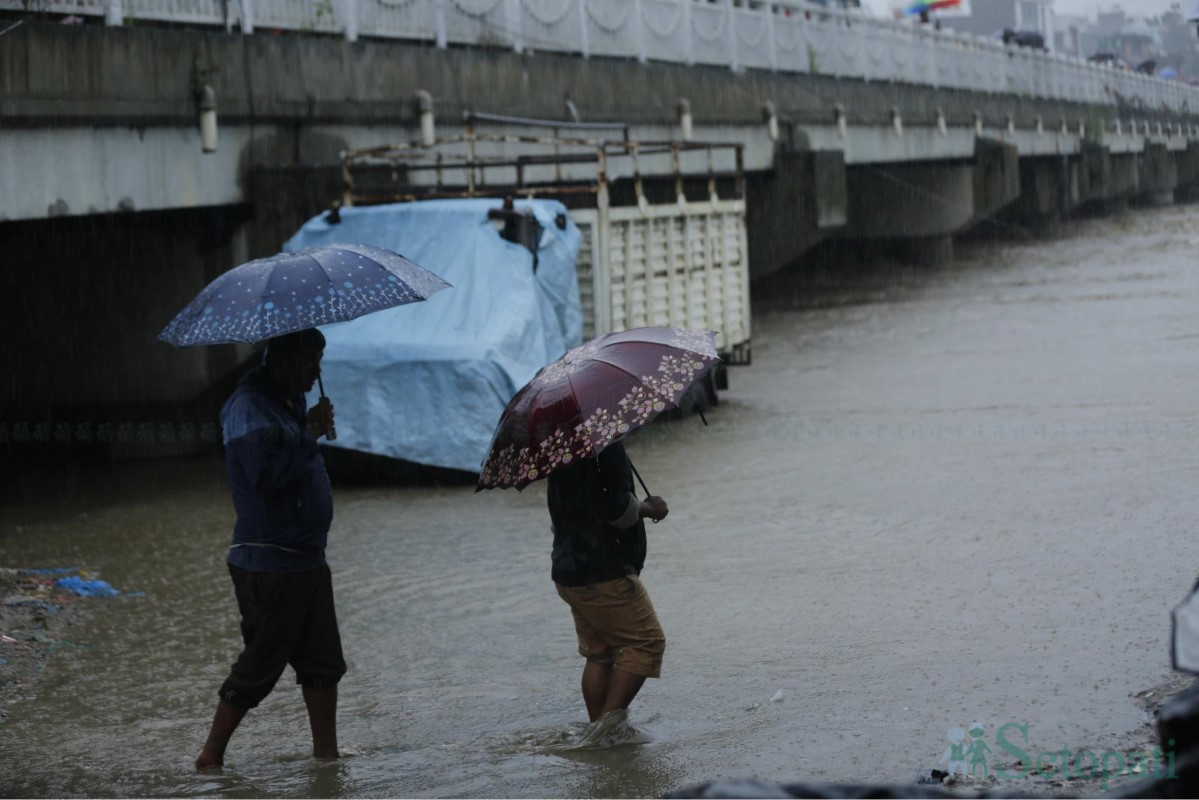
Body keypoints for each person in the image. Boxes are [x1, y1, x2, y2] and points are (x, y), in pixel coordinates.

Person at [195, 328, 342, 769]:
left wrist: (308, 426)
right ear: (284, 360)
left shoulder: (287, 401)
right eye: (310, 361)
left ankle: (327, 758)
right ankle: (211, 755)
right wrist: (308, 434)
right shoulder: (248, 407)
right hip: (270, 562)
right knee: (261, 663)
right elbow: (265, 476)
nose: (317, 370)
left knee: (322, 661)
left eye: (320, 360)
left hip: (306, 558)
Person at [547, 440, 669, 727]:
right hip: (604, 573)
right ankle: (606, 730)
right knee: (648, 644)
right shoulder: (604, 446)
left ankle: (597, 732)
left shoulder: (561, 447)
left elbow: (562, 513)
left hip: (569, 570)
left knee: (599, 653)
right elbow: (617, 510)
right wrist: (650, 508)